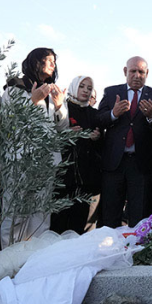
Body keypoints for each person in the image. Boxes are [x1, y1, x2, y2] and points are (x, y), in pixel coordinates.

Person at [1, 48, 68, 247]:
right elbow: (8, 121)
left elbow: (62, 128)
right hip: (20, 160)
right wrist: (33, 100)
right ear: (35, 62)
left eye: (54, 61)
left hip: (46, 161)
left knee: (41, 214)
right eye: (48, 60)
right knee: (15, 213)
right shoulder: (15, 87)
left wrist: (58, 106)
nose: (53, 65)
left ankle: (35, 261)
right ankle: (9, 262)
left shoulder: (53, 91)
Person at [98, 56, 152, 228]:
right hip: (115, 163)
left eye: (141, 72)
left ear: (147, 73)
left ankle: (135, 251)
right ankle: (108, 250)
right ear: (125, 71)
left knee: (140, 215)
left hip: (141, 165)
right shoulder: (110, 92)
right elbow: (98, 120)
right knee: (110, 213)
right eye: (133, 71)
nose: (137, 75)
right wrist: (113, 113)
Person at [50, 76, 102, 234]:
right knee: (58, 223)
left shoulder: (93, 114)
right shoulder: (62, 108)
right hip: (63, 177)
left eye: (89, 88)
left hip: (85, 179)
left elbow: (101, 145)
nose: (86, 91)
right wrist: (67, 134)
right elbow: (49, 135)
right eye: (82, 86)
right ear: (74, 87)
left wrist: (97, 137)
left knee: (79, 225)